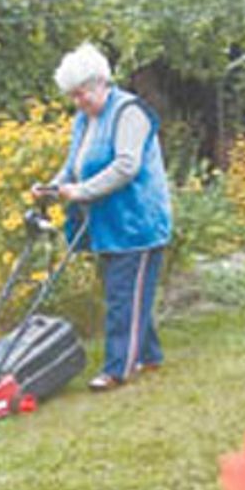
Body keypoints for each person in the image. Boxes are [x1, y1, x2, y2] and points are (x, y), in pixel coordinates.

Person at [34, 42, 173, 392]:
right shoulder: (85, 118)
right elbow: (74, 165)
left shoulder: (130, 112)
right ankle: (149, 354)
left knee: (122, 296)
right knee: (125, 290)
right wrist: (52, 187)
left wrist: (79, 192)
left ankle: (117, 369)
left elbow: (126, 167)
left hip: (136, 222)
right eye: (73, 96)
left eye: (81, 94)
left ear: (100, 83)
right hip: (108, 221)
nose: (77, 102)